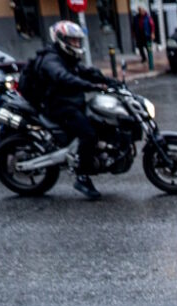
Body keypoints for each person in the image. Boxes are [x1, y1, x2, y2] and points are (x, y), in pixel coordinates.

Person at [29, 21, 116, 199]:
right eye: (73, 41)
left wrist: (110, 82)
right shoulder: (51, 59)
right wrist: (90, 86)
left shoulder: (67, 57)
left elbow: (84, 71)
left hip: (72, 102)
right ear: (61, 39)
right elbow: (63, 77)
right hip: (58, 106)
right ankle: (82, 177)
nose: (76, 44)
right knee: (88, 134)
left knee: (101, 122)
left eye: (78, 41)